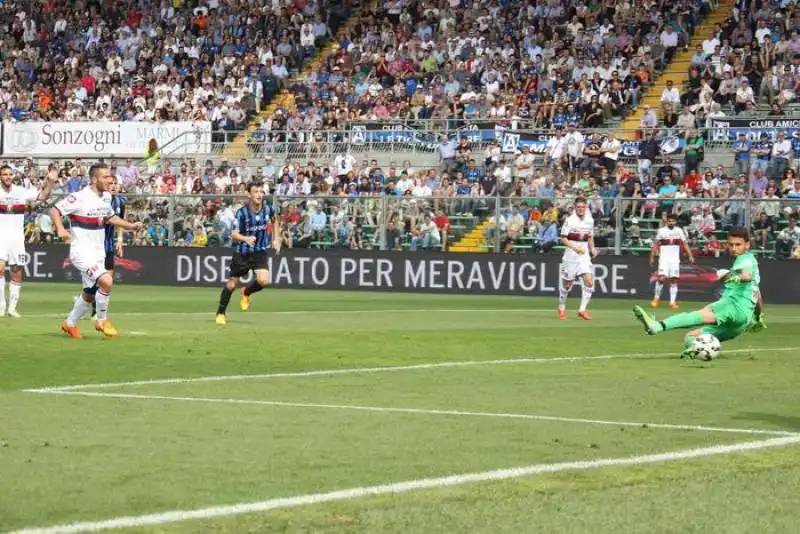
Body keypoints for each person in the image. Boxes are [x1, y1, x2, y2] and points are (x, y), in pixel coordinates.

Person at [633, 227, 766, 359]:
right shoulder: (753, 263)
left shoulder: (744, 259)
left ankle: (656, 326)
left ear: (747, 245)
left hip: (733, 307)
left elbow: (746, 276)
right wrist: (759, 317)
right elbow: (757, 294)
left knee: (694, 316)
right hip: (741, 323)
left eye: (738, 245)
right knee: (691, 337)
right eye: (731, 244)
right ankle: (701, 352)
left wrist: (731, 277)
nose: (734, 248)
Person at [51, 164, 142, 338]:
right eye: (105, 177)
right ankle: (102, 320)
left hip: (98, 253)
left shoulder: (105, 198)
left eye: (110, 177)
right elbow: (55, 210)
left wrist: (131, 226)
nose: (110, 180)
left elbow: (111, 217)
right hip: (82, 253)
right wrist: (60, 229)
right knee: (107, 282)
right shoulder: (79, 197)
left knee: (89, 293)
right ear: (94, 179)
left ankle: (69, 324)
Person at [0, 164, 58, 317]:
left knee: (17, 270)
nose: (7, 177)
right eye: (4, 174)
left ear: (13, 176)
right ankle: (1, 305)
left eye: (9, 174)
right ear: (0, 176)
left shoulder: (21, 192)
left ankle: (12, 308)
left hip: (16, 238)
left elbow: (42, 196)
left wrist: (51, 181)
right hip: (1, 237)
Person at [215, 182, 273, 324]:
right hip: (242, 252)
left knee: (264, 281)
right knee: (232, 284)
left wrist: (277, 238)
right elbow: (234, 234)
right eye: (256, 192)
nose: (259, 194)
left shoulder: (268, 209)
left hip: (259, 251)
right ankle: (220, 313)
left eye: (261, 191)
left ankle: (246, 292)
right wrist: (246, 238)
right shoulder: (241, 213)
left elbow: (276, 220)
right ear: (249, 195)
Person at [89, 176, 126, 321]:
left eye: (115, 183)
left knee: (108, 280)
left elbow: (120, 222)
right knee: (95, 280)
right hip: (96, 244)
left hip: (109, 244)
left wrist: (120, 240)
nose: (113, 186)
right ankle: (93, 310)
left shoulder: (121, 202)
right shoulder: (97, 200)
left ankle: (102, 314)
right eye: (110, 183)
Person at [558, 198, 597, 320]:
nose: (581, 209)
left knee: (589, 282)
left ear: (586, 208)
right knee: (567, 285)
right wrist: (575, 247)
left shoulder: (590, 221)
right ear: (575, 207)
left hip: (583, 255)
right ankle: (561, 306)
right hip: (570, 256)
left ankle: (582, 309)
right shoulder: (570, 221)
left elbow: (590, 237)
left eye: (583, 207)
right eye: (578, 207)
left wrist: (592, 248)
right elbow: (563, 239)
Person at [650, 213, 695, 309]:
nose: (671, 222)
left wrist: (690, 255)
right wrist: (652, 257)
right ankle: (656, 298)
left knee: (674, 280)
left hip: (674, 259)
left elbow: (685, 244)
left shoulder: (679, 231)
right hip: (664, 258)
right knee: (661, 278)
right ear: (666, 222)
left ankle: (672, 302)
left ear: (675, 222)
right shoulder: (661, 231)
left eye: (672, 221)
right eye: (669, 221)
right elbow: (655, 245)